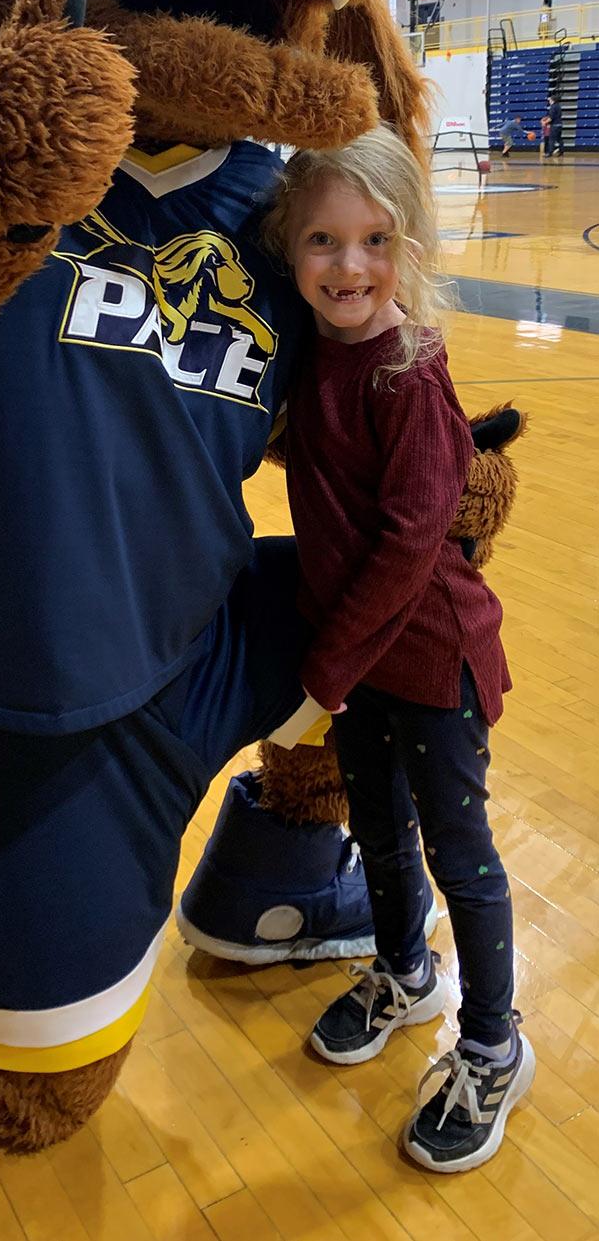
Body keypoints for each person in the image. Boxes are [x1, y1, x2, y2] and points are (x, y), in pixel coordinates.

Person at [264, 124, 534, 1174]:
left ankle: (493, 1045)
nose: (351, 266)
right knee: (377, 829)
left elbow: (414, 543)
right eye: (324, 241)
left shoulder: (408, 375)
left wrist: (320, 675)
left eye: (376, 240)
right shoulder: (317, 354)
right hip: (367, 660)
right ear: (291, 248)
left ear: (408, 245)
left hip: (433, 665)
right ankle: (401, 970)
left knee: (460, 858)